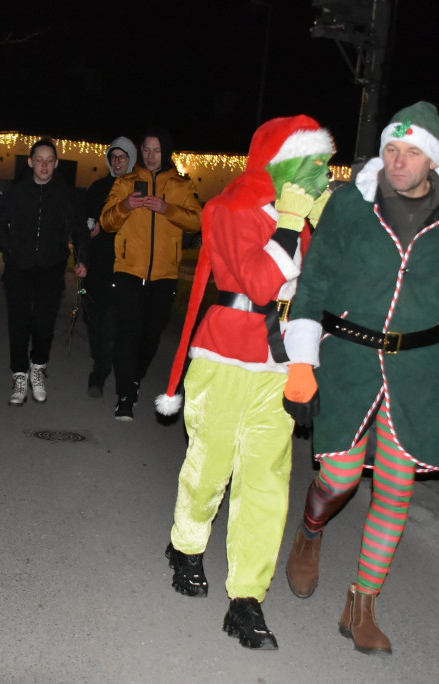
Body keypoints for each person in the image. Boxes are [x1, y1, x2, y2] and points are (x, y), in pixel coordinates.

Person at [282, 102, 439, 656]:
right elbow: (314, 283)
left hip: (420, 369)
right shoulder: (351, 204)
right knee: (340, 478)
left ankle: (362, 603)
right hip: (348, 357)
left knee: (396, 491)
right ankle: (311, 529)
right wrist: (302, 363)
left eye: (411, 152)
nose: (398, 162)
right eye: (391, 150)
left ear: (434, 159)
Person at [156, 116, 335, 649]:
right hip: (226, 355)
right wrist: (288, 224)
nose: (321, 173)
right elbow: (256, 282)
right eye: (313, 162)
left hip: (280, 363)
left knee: (266, 483)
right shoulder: (230, 206)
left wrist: (326, 231)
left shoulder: (305, 214)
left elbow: (320, 292)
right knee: (210, 465)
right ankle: (186, 547)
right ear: (282, 160)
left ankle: (246, 598)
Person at [99, 127, 202, 420]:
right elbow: (107, 222)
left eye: (156, 150)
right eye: (146, 149)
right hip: (129, 272)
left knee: (150, 338)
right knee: (126, 336)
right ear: (140, 151)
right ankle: (125, 396)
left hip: (165, 276)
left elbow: (198, 221)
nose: (151, 156)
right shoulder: (126, 182)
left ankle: (134, 379)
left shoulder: (181, 185)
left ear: (165, 151)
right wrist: (126, 205)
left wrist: (168, 208)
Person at [0, 138, 89, 405]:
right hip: (19, 268)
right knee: (19, 322)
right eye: (39, 160)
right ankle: (19, 375)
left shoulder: (65, 194)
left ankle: (38, 368)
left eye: (49, 160)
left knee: (43, 324)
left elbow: (79, 229)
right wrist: (9, 250)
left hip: (51, 268)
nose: (44, 165)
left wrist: (82, 258)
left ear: (56, 164)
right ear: (31, 162)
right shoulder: (17, 191)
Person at [82, 136, 136, 398]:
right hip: (98, 266)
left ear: (131, 160)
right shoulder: (98, 187)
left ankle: (100, 375)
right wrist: (82, 253)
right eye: (114, 157)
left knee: (113, 324)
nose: (117, 162)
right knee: (95, 321)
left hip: (126, 267)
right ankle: (101, 361)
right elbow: (84, 222)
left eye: (122, 157)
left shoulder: (139, 189)